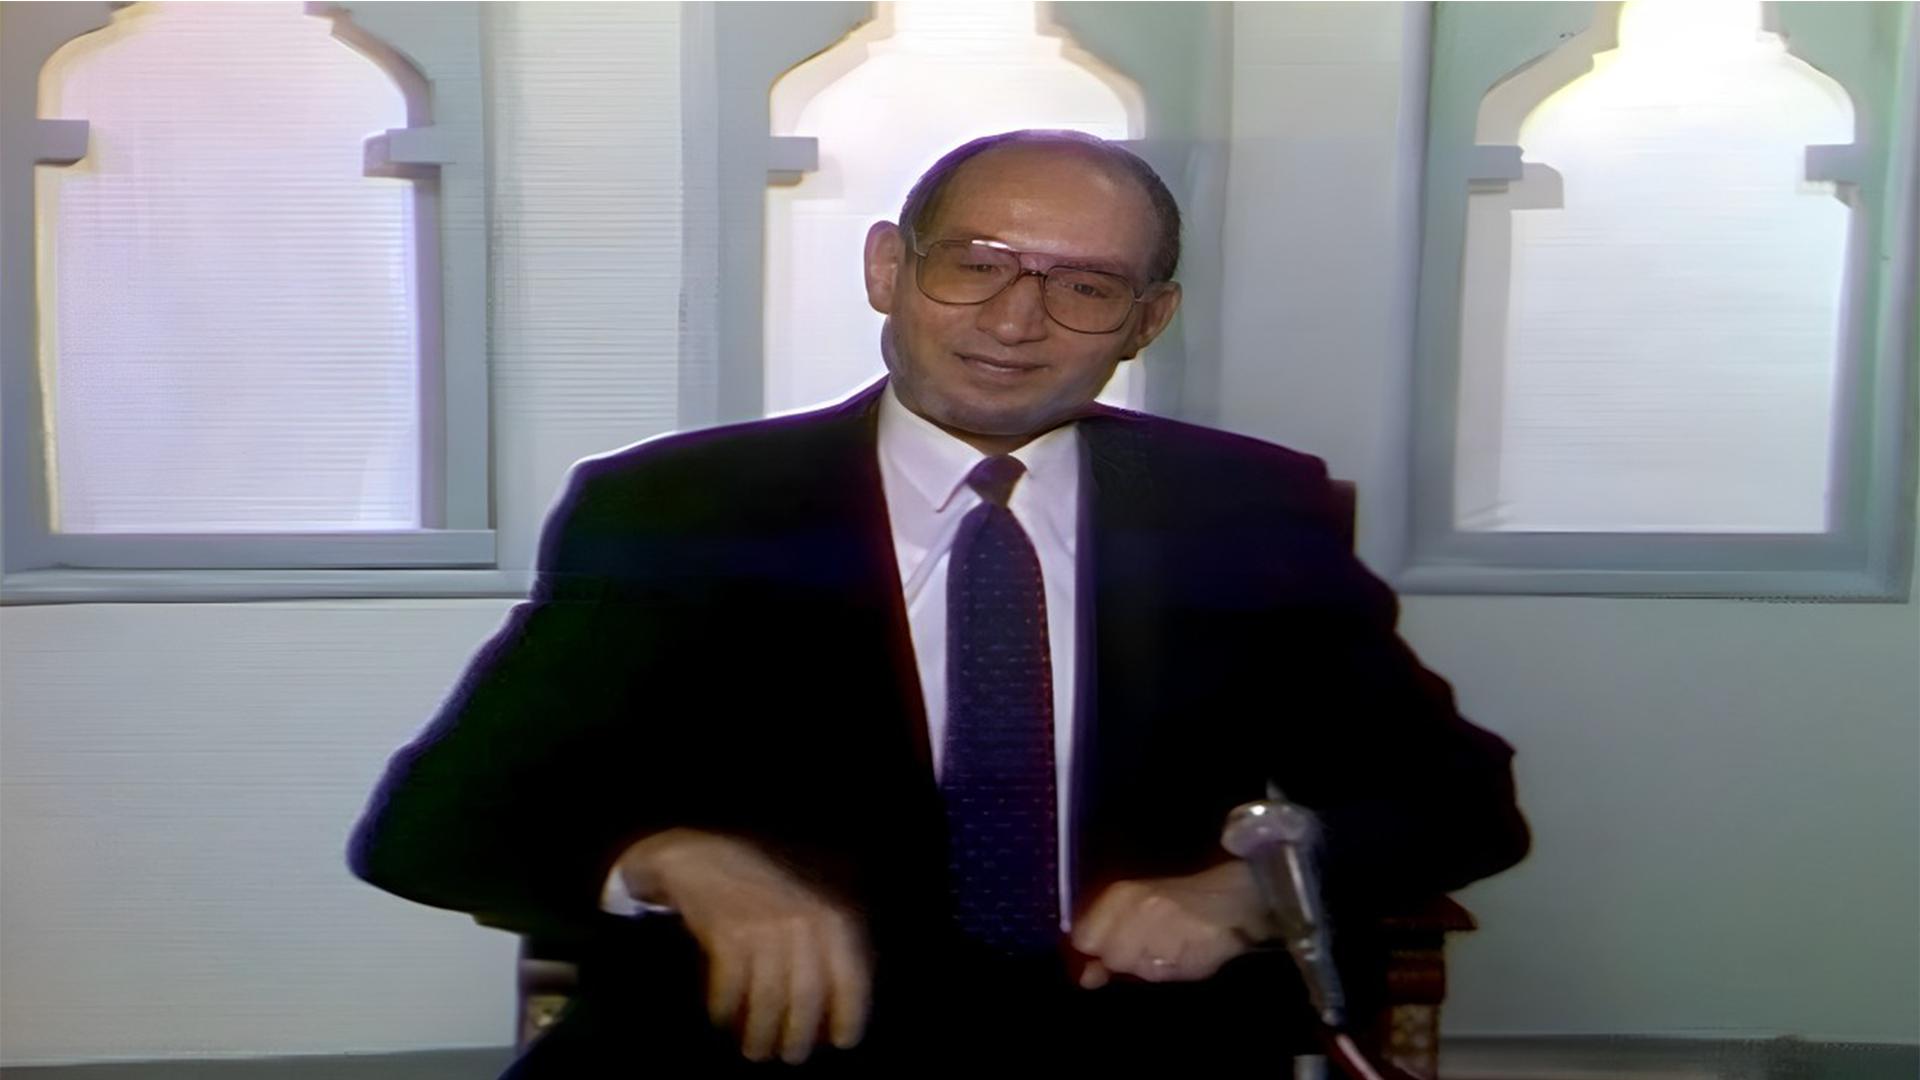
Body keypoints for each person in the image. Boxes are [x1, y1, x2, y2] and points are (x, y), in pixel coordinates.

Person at [348, 130, 1530, 1075]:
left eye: (1086, 287)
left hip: (1133, 1038)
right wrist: (674, 858)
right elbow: (433, 821)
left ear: (1147, 322)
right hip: (761, 1043)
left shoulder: (1248, 511)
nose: (1015, 323)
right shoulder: (675, 511)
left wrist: (1250, 894)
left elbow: (1463, 800)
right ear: (888, 269)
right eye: (975, 263)